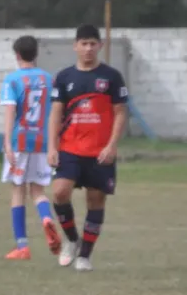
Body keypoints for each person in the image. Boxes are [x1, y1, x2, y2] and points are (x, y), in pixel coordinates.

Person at [47, 24, 128, 272]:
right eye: (84, 43)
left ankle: (85, 256)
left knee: (95, 200)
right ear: (75, 46)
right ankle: (72, 239)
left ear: (100, 46)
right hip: (70, 149)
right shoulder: (64, 77)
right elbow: (55, 114)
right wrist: (52, 147)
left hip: (100, 151)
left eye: (93, 43)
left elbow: (121, 113)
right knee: (60, 193)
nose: (89, 48)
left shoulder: (112, 77)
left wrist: (112, 145)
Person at [0, 36, 61, 260]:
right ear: (36, 54)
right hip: (43, 142)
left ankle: (22, 247)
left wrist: (6, 142)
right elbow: (56, 111)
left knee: (18, 191)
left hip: (20, 141)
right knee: (37, 190)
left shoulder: (13, 80)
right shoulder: (48, 79)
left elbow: (10, 112)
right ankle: (46, 218)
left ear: (17, 55)